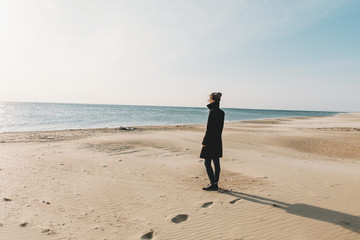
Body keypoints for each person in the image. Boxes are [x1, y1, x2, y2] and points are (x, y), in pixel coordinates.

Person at [200, 92, 225, 191]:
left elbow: (209, 128)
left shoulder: (213, 111)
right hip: (218, 140)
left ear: (212, 100)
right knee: (216, 162)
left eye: (209, 99)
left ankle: (213, 184)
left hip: (210, 140)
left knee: (207, 162)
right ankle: (215, 183)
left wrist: (204, 141)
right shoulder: (221, 112)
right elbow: (219, 129)